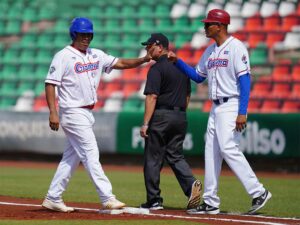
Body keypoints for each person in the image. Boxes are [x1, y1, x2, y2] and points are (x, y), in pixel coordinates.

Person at [42, 17, 153, 212]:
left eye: (89, 35)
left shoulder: (96, 54)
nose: (86, 38)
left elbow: (121, 63)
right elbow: (51, 83)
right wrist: (53, 112)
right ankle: (107, 197)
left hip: (86, 111)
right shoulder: (63, 56)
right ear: (74, 34)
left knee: (71, 157)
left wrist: (143, 60)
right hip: (72, 111)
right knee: (91, 152)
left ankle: (53, 196)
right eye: (82, 34)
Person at [168, 9, 271, 215]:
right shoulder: (211, 50)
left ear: (220, 26)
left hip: (231, 104)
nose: (205, 27)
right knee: (211, 151)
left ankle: (258, 191)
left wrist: (242, 111)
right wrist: (177, 62)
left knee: (227, 147)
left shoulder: (236, 47)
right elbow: (198, 77)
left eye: (208, 24)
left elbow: (245, 81)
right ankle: (211, 201)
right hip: (215, 107)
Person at [139, 33, 202, 211]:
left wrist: (145, 123)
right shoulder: (181, 66)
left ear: (160, 47)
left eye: (149, 46)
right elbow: (188, 95)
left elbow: (152, 96)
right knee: (175, 156)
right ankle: (191, 186)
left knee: (153, 159)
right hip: (180, 116)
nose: (147, 49)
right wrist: (180, 114)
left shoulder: (157, 68)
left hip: (161, 116)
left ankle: (154, 200)